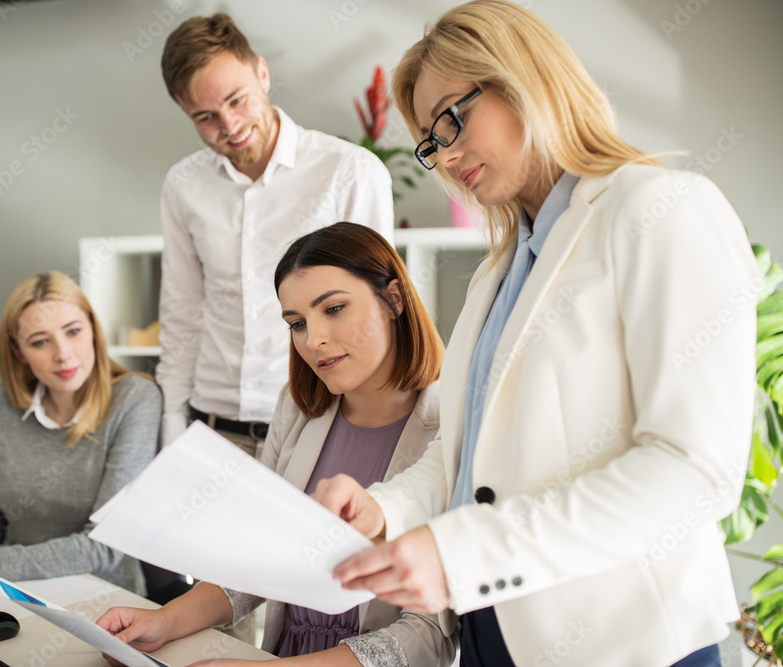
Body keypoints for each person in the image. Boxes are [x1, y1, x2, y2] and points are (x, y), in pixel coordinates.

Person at [311, 2, 761, 666]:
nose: (446, 153)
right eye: (431, 141)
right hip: (495, 631)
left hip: (622, 643)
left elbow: (691, 469)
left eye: (454, 119)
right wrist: (381, 509)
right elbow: (467, 463)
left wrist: (468, 550)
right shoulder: (496, 271)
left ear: (525, 77)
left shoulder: (660, 211)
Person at [96, 223, 456, 666]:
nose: (314, 339)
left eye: (335, 308)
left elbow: (431, 634)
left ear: (394, 300)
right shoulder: (299, 409)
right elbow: (257, 560)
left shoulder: (452, 422)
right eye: (297, 323)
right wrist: (164, 622)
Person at [155, 13, 395, 461]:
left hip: (316, 425)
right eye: (205, 117)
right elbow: (182, 310)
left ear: (262, 74)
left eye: (237, 100)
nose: (228, 125)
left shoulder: (349, 172)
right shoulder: (183, 186)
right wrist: (171, 424)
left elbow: (378, 311)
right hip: (211, 429)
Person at [0, 270, 161, 595]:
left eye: (73, 331)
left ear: (93, 330)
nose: (63, 354)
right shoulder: (0, 401)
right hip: (15, 594)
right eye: (40, 342)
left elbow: (104, 546)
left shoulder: (135, 399)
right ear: (19, 352)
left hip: (105, 603)